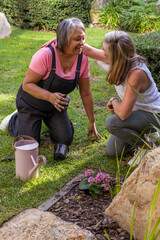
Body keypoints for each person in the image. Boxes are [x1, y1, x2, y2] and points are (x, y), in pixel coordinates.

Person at [0, 18, 99, 160]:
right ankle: (14, 120)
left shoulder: (82, 59)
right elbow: (27, 85)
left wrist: (92, 121)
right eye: (77, 39)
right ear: (64, 39)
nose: (82, 43)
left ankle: (47, 122)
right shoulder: (45, 55)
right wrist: (49, 97)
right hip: (31, 104)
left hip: (55, 107)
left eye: (84, 38)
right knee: (31, 144)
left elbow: (86, 92)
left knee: (65, 139)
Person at [82, 31, 160, 165]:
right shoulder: (120, 59)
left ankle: (146, 147)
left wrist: (114, 101)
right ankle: (148, 133)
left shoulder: (136, 73)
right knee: (113, 152)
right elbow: (87, 50)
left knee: (112, 123)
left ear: (116, 55)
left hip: (154, 114)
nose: (101, 51)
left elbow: (123, 114)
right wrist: (62, 37)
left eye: (104, 50)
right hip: (137, 113)